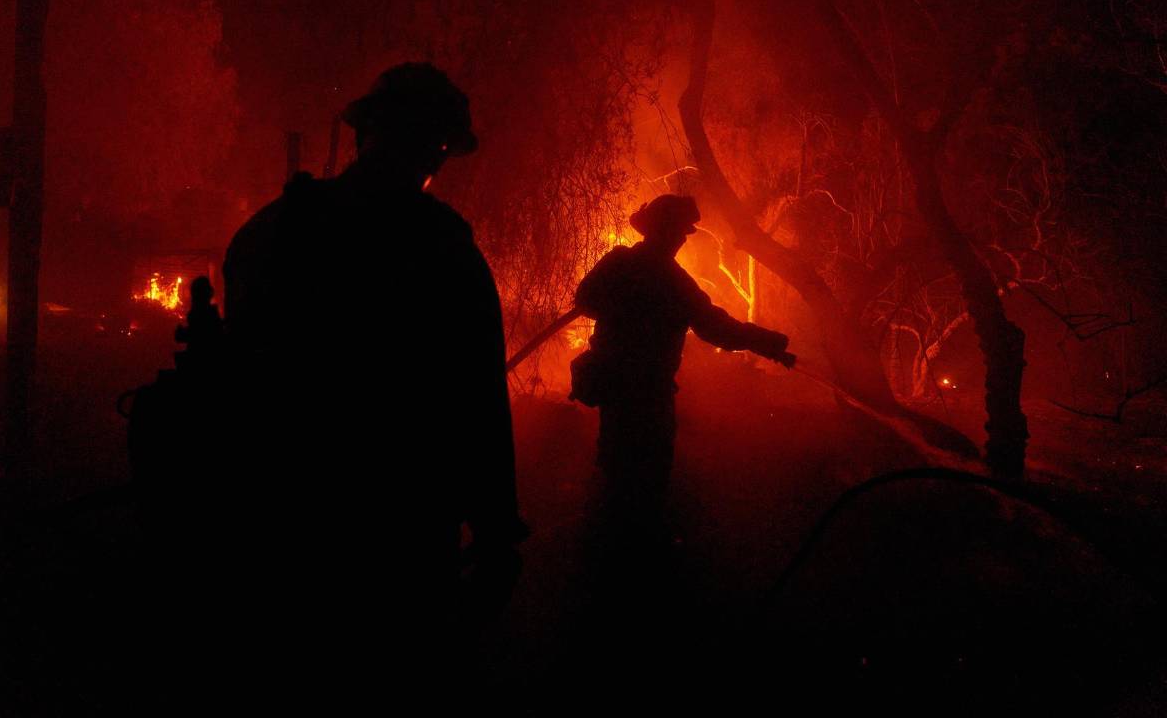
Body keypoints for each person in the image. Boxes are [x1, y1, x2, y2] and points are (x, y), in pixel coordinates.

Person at [215, 62, 526, 704]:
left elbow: (235, 376)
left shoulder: (273, 230)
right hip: (399, 534)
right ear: (433, 146)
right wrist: (496, 533)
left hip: (278, 528)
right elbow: (476, 400)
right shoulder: (441, 247)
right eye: (439, 146)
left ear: (363, 136)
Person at [573, 195, 795, 530]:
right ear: (664, 231)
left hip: (617, 390)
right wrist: (769, 343)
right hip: (648, 395)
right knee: (646, 478)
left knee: (616, 469)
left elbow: (586, 301)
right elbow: (716, 329)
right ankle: (634, 547)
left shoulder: (620, 263)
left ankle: (610, 544)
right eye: (679, 232)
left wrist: (770, 345)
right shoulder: (672, 281)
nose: (681, 239)